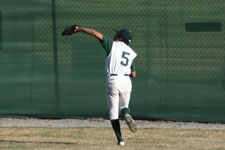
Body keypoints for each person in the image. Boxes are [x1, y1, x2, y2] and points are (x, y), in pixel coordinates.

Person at [64, 25, 137, 146]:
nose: (114, 36)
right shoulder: (130, 52)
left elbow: (95, 33)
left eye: (116, 34)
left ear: (120, 37)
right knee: (124, 107)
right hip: (126, 81)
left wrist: (78, 29)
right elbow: (133, 74)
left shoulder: (113, 45)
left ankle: (120, 140)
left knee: (114, 114)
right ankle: (126, 114)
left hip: (113, 80)